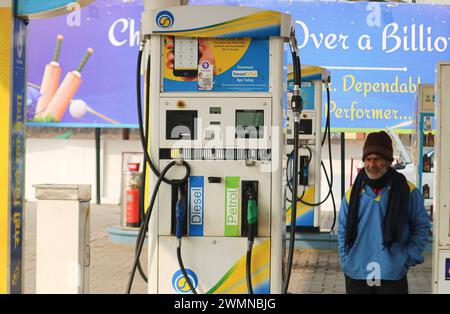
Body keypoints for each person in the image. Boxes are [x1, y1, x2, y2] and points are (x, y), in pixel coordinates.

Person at [338, 131, 431, 294]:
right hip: (356, 272)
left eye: (377, 159)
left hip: (392, 273)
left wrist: (407, 258)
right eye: (368, 159)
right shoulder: (352, 193)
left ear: (389, 161)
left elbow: (421, 227)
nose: (371, 164)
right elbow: (342, 229)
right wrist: (346, 260)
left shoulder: (408, 191)